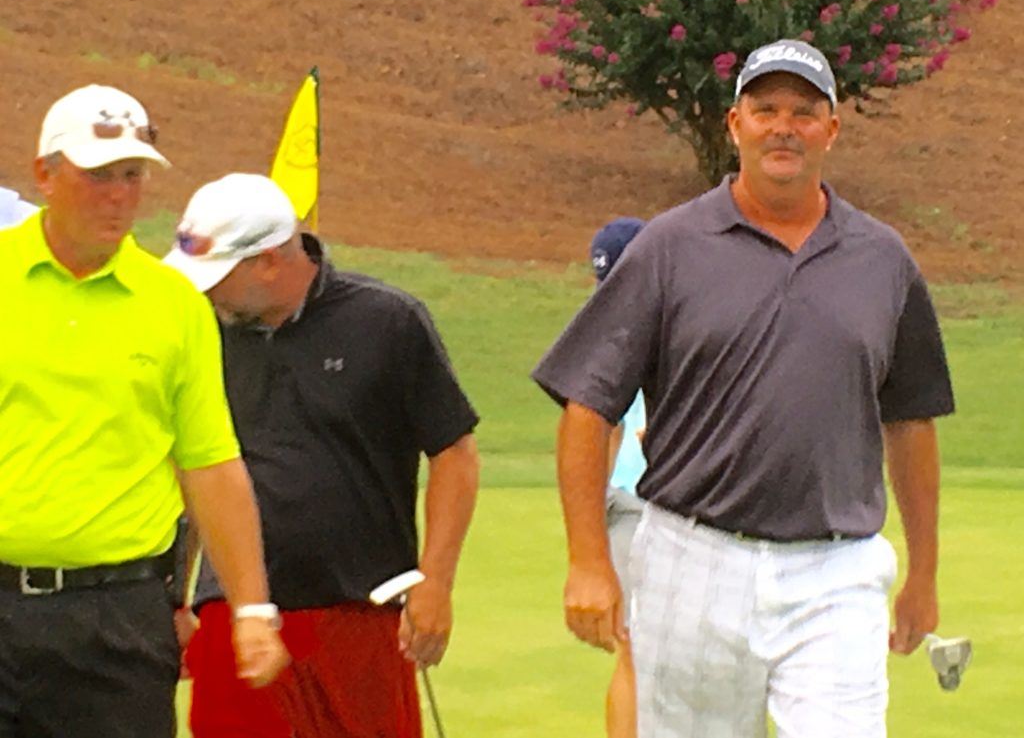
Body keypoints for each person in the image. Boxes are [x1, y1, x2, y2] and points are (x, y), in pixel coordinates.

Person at [532, 39, 955, 738]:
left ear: (832, 129)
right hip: (692, 557)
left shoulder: (883, 259)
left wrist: (925, 573)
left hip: (835, 565)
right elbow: (588, 404)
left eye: (803, 111)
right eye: (765, 110)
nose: (783, 126)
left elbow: (911, 421)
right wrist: (588, 560)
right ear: (735, 126)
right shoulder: (668, 247)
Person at [0, 85, 288, 738]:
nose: (119, 195)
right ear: (45, 173)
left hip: (117, 618)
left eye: (132, 176)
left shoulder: (173, 304)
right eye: (98, 175)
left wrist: (250, 607)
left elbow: (209, 463)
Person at [163, 173, 481, 738]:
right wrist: (175, 597)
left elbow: (453, 451)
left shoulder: (387, 321)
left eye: (217, 277)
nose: (205, 293)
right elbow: (191, 472)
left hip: (360, 613)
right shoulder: (199, 332)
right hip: (233, 615)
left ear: (268, 261)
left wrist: (436, 583)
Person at [590, 217, 647, 738]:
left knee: (637, 655)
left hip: (626, 505)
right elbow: (602, 431)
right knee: (638, 655)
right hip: (643, 503)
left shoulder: (603, 332)